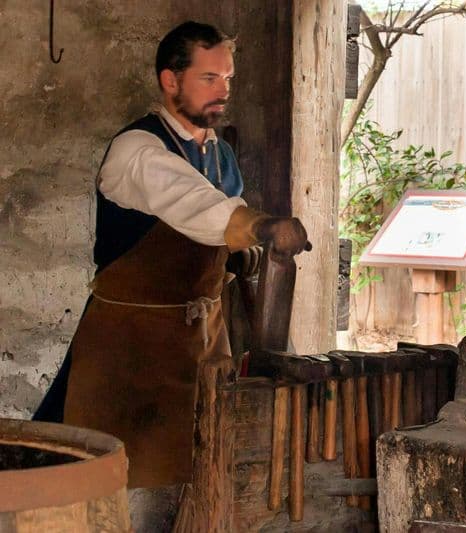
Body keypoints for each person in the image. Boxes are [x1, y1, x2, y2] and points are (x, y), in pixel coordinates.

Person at [33, 21, 308, 494]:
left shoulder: (221, 156)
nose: (223, 90)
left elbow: (212, 240)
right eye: (209, 78)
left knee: (197, 477)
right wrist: (259, 227)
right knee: (103, 479)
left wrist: (242, 261)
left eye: (228, 78)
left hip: (201, 344)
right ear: (170, 79)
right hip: (129, 351)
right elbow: (191, 204)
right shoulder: (137, 149)